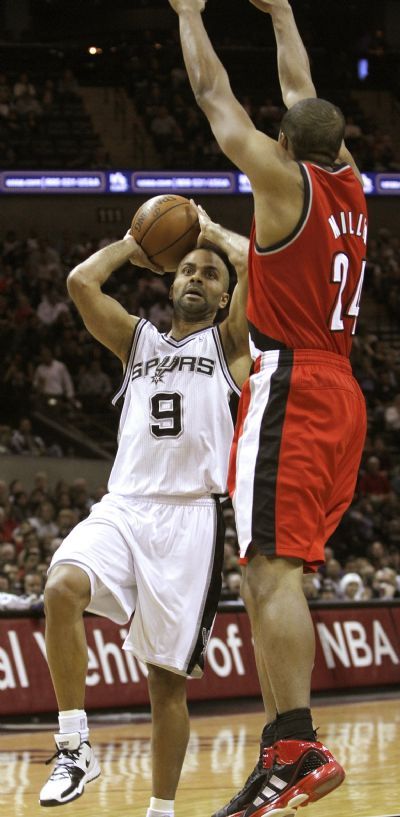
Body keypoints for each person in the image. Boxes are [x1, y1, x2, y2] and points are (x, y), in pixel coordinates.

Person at [168, 0, 368, 814]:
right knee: (274, 569)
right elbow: (305, 93)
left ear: (286, 145)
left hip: (292, 386)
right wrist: (284, 13)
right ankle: (286, 744)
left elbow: (218, 99)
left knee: (270, 569)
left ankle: (295, 746)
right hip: (341, 386)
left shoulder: (284, 179)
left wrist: (189, 14)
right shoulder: (350, 180)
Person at [39, 207, 251, 809]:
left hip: (192, 520)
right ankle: (76, 747)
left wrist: (210, 236)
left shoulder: (232, 343)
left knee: (166, 686)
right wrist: (133, 242)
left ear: (222, 296)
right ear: (167, 279)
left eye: (208, 275)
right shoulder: (139, 342)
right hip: (126, 505)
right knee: (60, 589)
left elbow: (255, 263)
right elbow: (81, 283)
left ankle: (161, 809)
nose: (195, 279)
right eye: (185, 269)